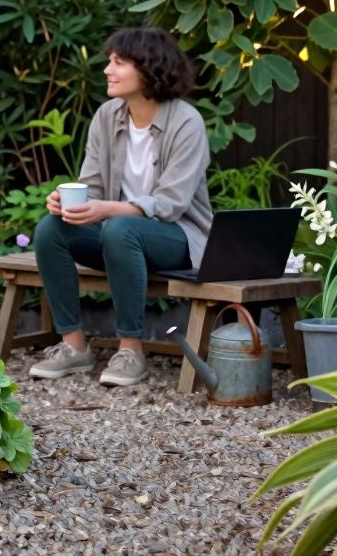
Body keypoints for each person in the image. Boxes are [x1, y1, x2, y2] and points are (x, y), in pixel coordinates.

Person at [29, 26, 212, 386]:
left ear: (149, 68)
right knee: (52, 228)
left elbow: (171, 203)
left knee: (120, 226)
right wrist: (67, 201)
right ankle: (74, 347)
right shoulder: (107, 116)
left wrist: (106, 210)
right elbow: (92, 185)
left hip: (177, 239)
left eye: (119, 62)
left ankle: (131, 350)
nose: (107, 70)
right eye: (109, 61)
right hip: (117, 234)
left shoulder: (186, 122)